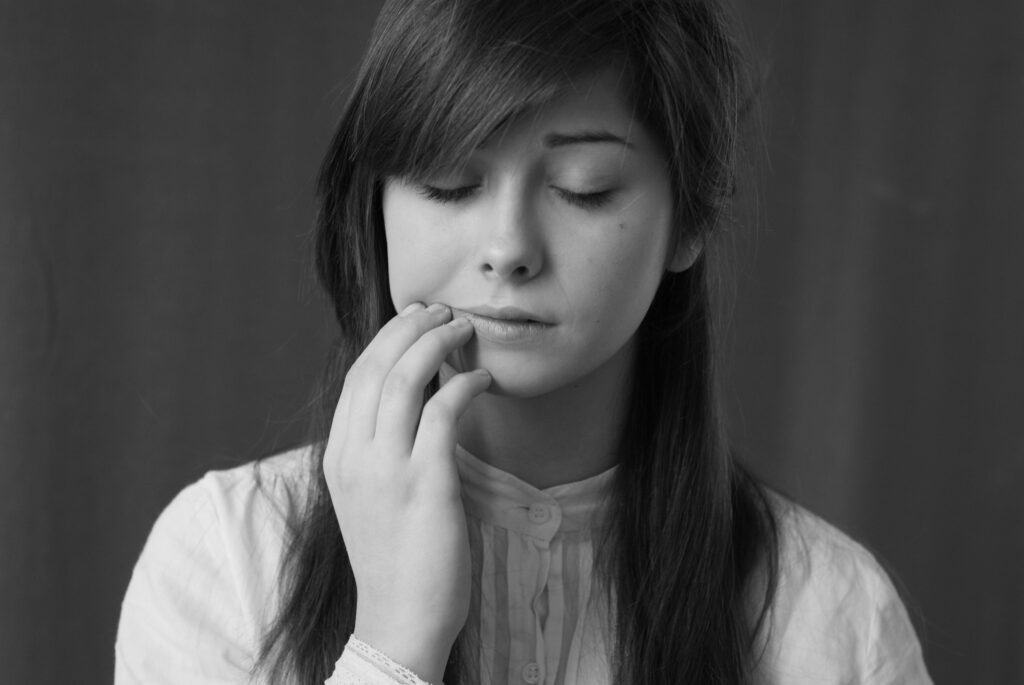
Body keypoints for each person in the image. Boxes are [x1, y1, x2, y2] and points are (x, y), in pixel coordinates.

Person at [114, 0, 934, 683]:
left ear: (687, 220)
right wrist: (393, 642)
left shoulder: (835, 618)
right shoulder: (227, 557)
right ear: (378, 206)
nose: (507, 246)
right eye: (450, 181)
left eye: (584, 188)